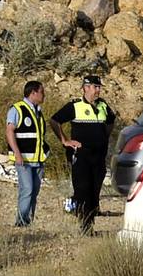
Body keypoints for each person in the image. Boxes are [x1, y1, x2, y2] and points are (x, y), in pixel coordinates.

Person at [51, 75, 117, 235]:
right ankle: (85, 225)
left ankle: (89, 221)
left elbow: (110, 121)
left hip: (99, 156)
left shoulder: (103, 105)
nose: (98, 90)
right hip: (81, 156)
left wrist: (103, 137)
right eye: (95, 87)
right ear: (86, 88)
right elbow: (55, 120)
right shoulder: (75, 105)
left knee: (95, 190)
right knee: (83, 189)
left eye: (99, 87)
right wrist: (65, 140)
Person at [6, 80, 66, 227]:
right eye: (42, 92)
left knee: (34, 192)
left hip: (38, 160)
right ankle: (21, 223)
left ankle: (28, 222)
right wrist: (17, 154)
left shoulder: (37, 111)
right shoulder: (17, 109)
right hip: (24, 160)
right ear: (33, 93)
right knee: (27, 189)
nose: (44, 95)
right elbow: (9, 132)